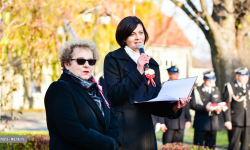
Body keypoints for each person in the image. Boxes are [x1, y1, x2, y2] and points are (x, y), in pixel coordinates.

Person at [104, 16, 189, 150]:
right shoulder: (113, 59)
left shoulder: (152, 64)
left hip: (145, 132)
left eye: (141, 32)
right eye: (132, 34)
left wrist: (175, 107)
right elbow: (114, 95)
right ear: (123, 37)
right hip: (122, 128)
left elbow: (155, 102)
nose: (138, 37)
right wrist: (138, 71)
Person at [44, 38, 121, 150]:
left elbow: (112, 118)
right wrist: (108, 144)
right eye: (80, 61)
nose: (87, 65)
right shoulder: (59, 88)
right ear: (67, 64)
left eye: (91, 61)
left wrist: (114, 142)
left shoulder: (95, 88)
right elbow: (72, 131)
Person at [159, 66, 191, 144]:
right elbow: (160, 105)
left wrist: (188, 119)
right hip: (169, 122)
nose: (176, 76)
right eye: (174, 74)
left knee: (178, 146)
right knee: (167, 146)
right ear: (169, 74)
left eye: (177, 74)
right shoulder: (164, 86)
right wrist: (161, 122)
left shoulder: (182, 86)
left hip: (180, 122)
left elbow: (186, 105)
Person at [190, 70, 222, 149]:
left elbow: (219, 102)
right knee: (198, 146)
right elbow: (192, 104)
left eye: (212, 80)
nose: (211, 82)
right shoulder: (197, 90)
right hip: (201, 123)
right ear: (204, 79)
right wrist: (205, 108)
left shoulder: (216, 90)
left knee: (211, 146)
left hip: (212, 123)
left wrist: (219, 109)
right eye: (209, 80)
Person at [223, 67, 250, 150]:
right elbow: (226, 105)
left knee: (245, 146)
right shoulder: (230, 86)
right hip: (235, 121)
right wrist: (227, 120)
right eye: (243, 76)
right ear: (237, 76)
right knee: (234, 146)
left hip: (248, 121)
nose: (246, 78)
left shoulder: (248, 87)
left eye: (247, 76)